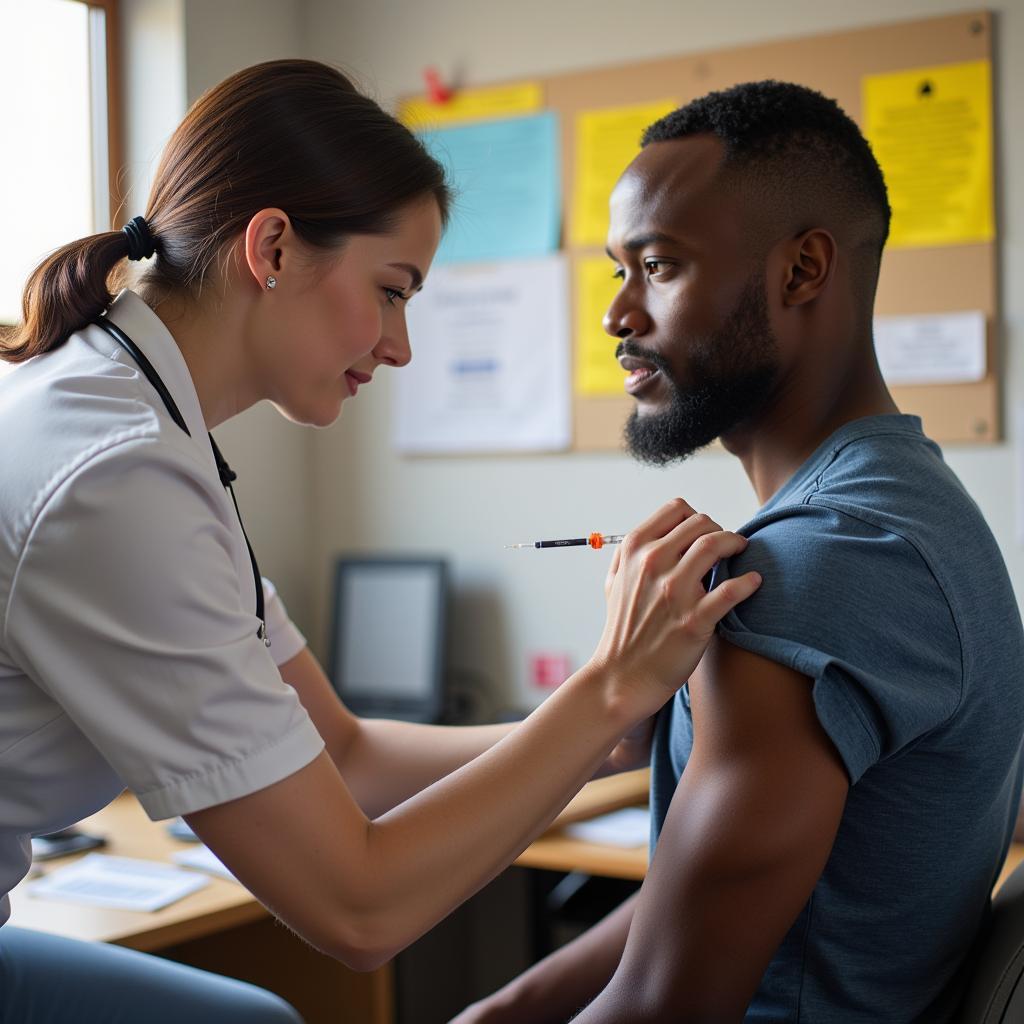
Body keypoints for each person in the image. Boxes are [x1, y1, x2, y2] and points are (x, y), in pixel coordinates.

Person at [0, 59, 763, 1023]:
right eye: (393, 290)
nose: (401, 346)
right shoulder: (116, 472)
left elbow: (346, 755)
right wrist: (612, 680)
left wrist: (606, 736)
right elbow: (358, 908)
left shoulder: (145, 422)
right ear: (271, 247)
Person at [452, 81, 1024, 1024]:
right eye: (616, 271)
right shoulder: (903, 505)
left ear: (802, 271)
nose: (617, 317)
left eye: (660, 266)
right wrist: (503, 1010)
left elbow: (661, 1004)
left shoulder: (816, 571)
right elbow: (700, 902)